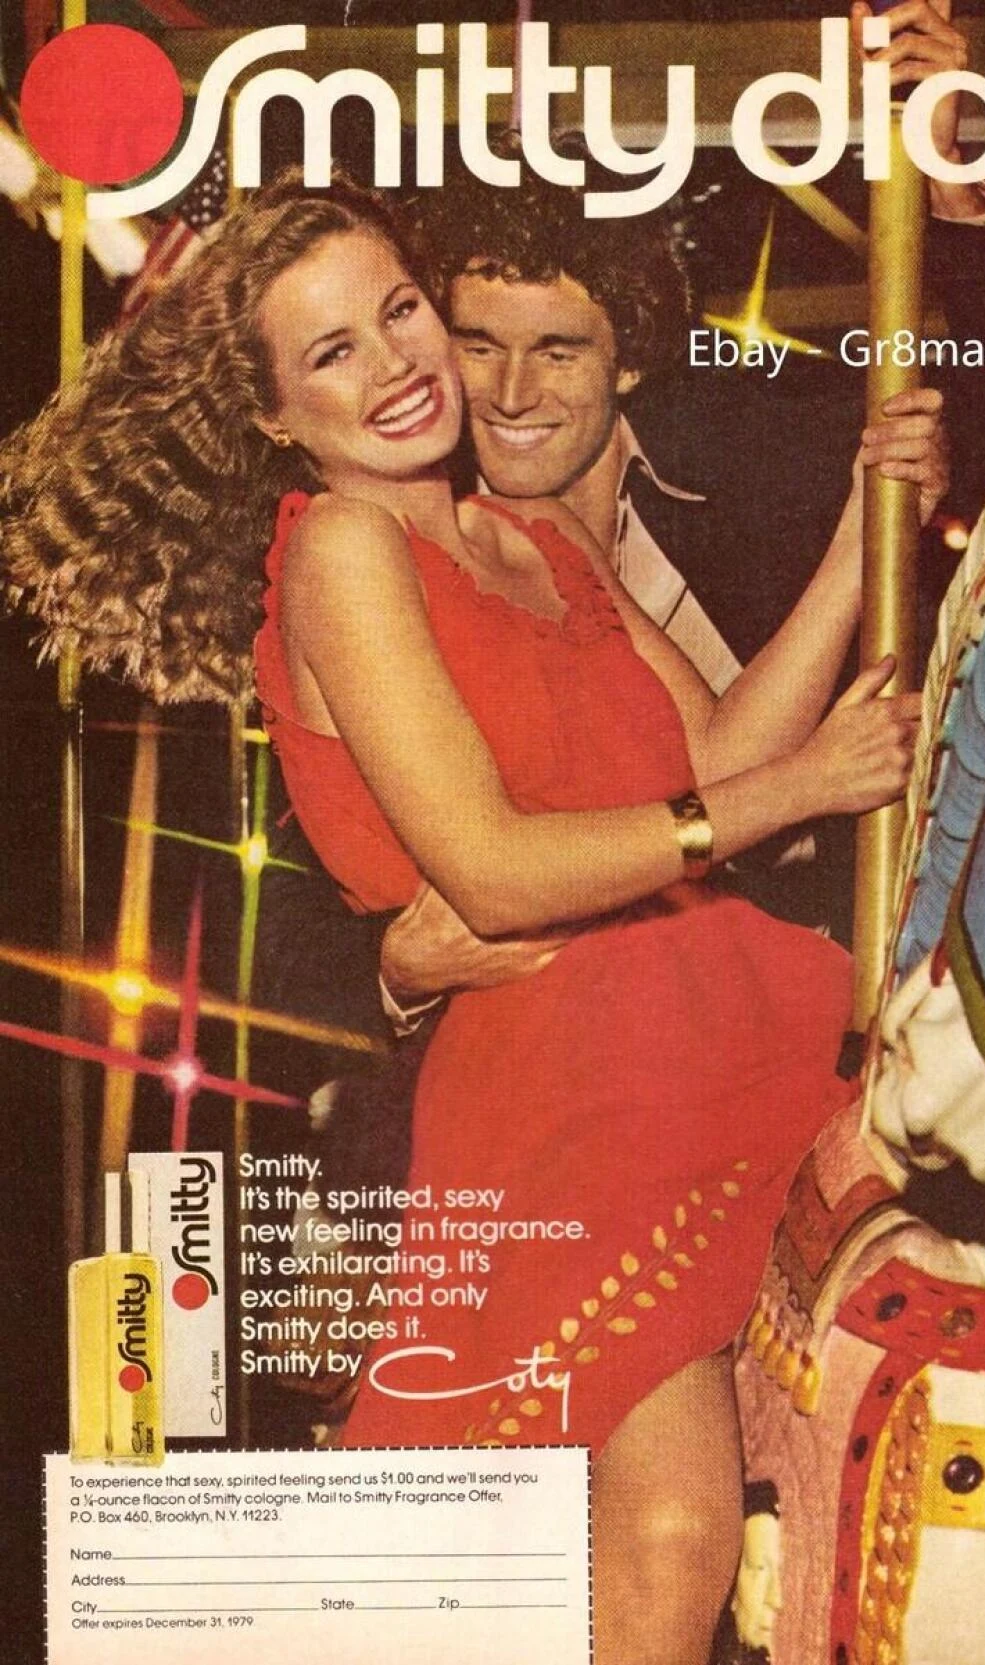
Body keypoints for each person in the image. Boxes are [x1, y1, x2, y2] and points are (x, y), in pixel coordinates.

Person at [0, 173, 921, 1665]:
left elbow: (714, 756)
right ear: (274, 416)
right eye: (333, 352)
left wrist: (869, 535)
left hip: (704, 1044)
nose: (397, 364)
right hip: (571, 1090)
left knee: (712, 1526)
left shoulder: (536, 536)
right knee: (668, 1539)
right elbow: (490, 869)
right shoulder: (341, 552)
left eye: (399, 311)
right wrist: (798, 789)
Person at [258, 0, 985, 1042]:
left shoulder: (768, 459)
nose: (510, 393)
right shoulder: (358, 541)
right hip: (529, 1035)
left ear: (629, 360)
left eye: (558, 351)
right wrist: (393, 969)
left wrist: (946, 170)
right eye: (476, 344)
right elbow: (266, 883)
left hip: (826, 982)